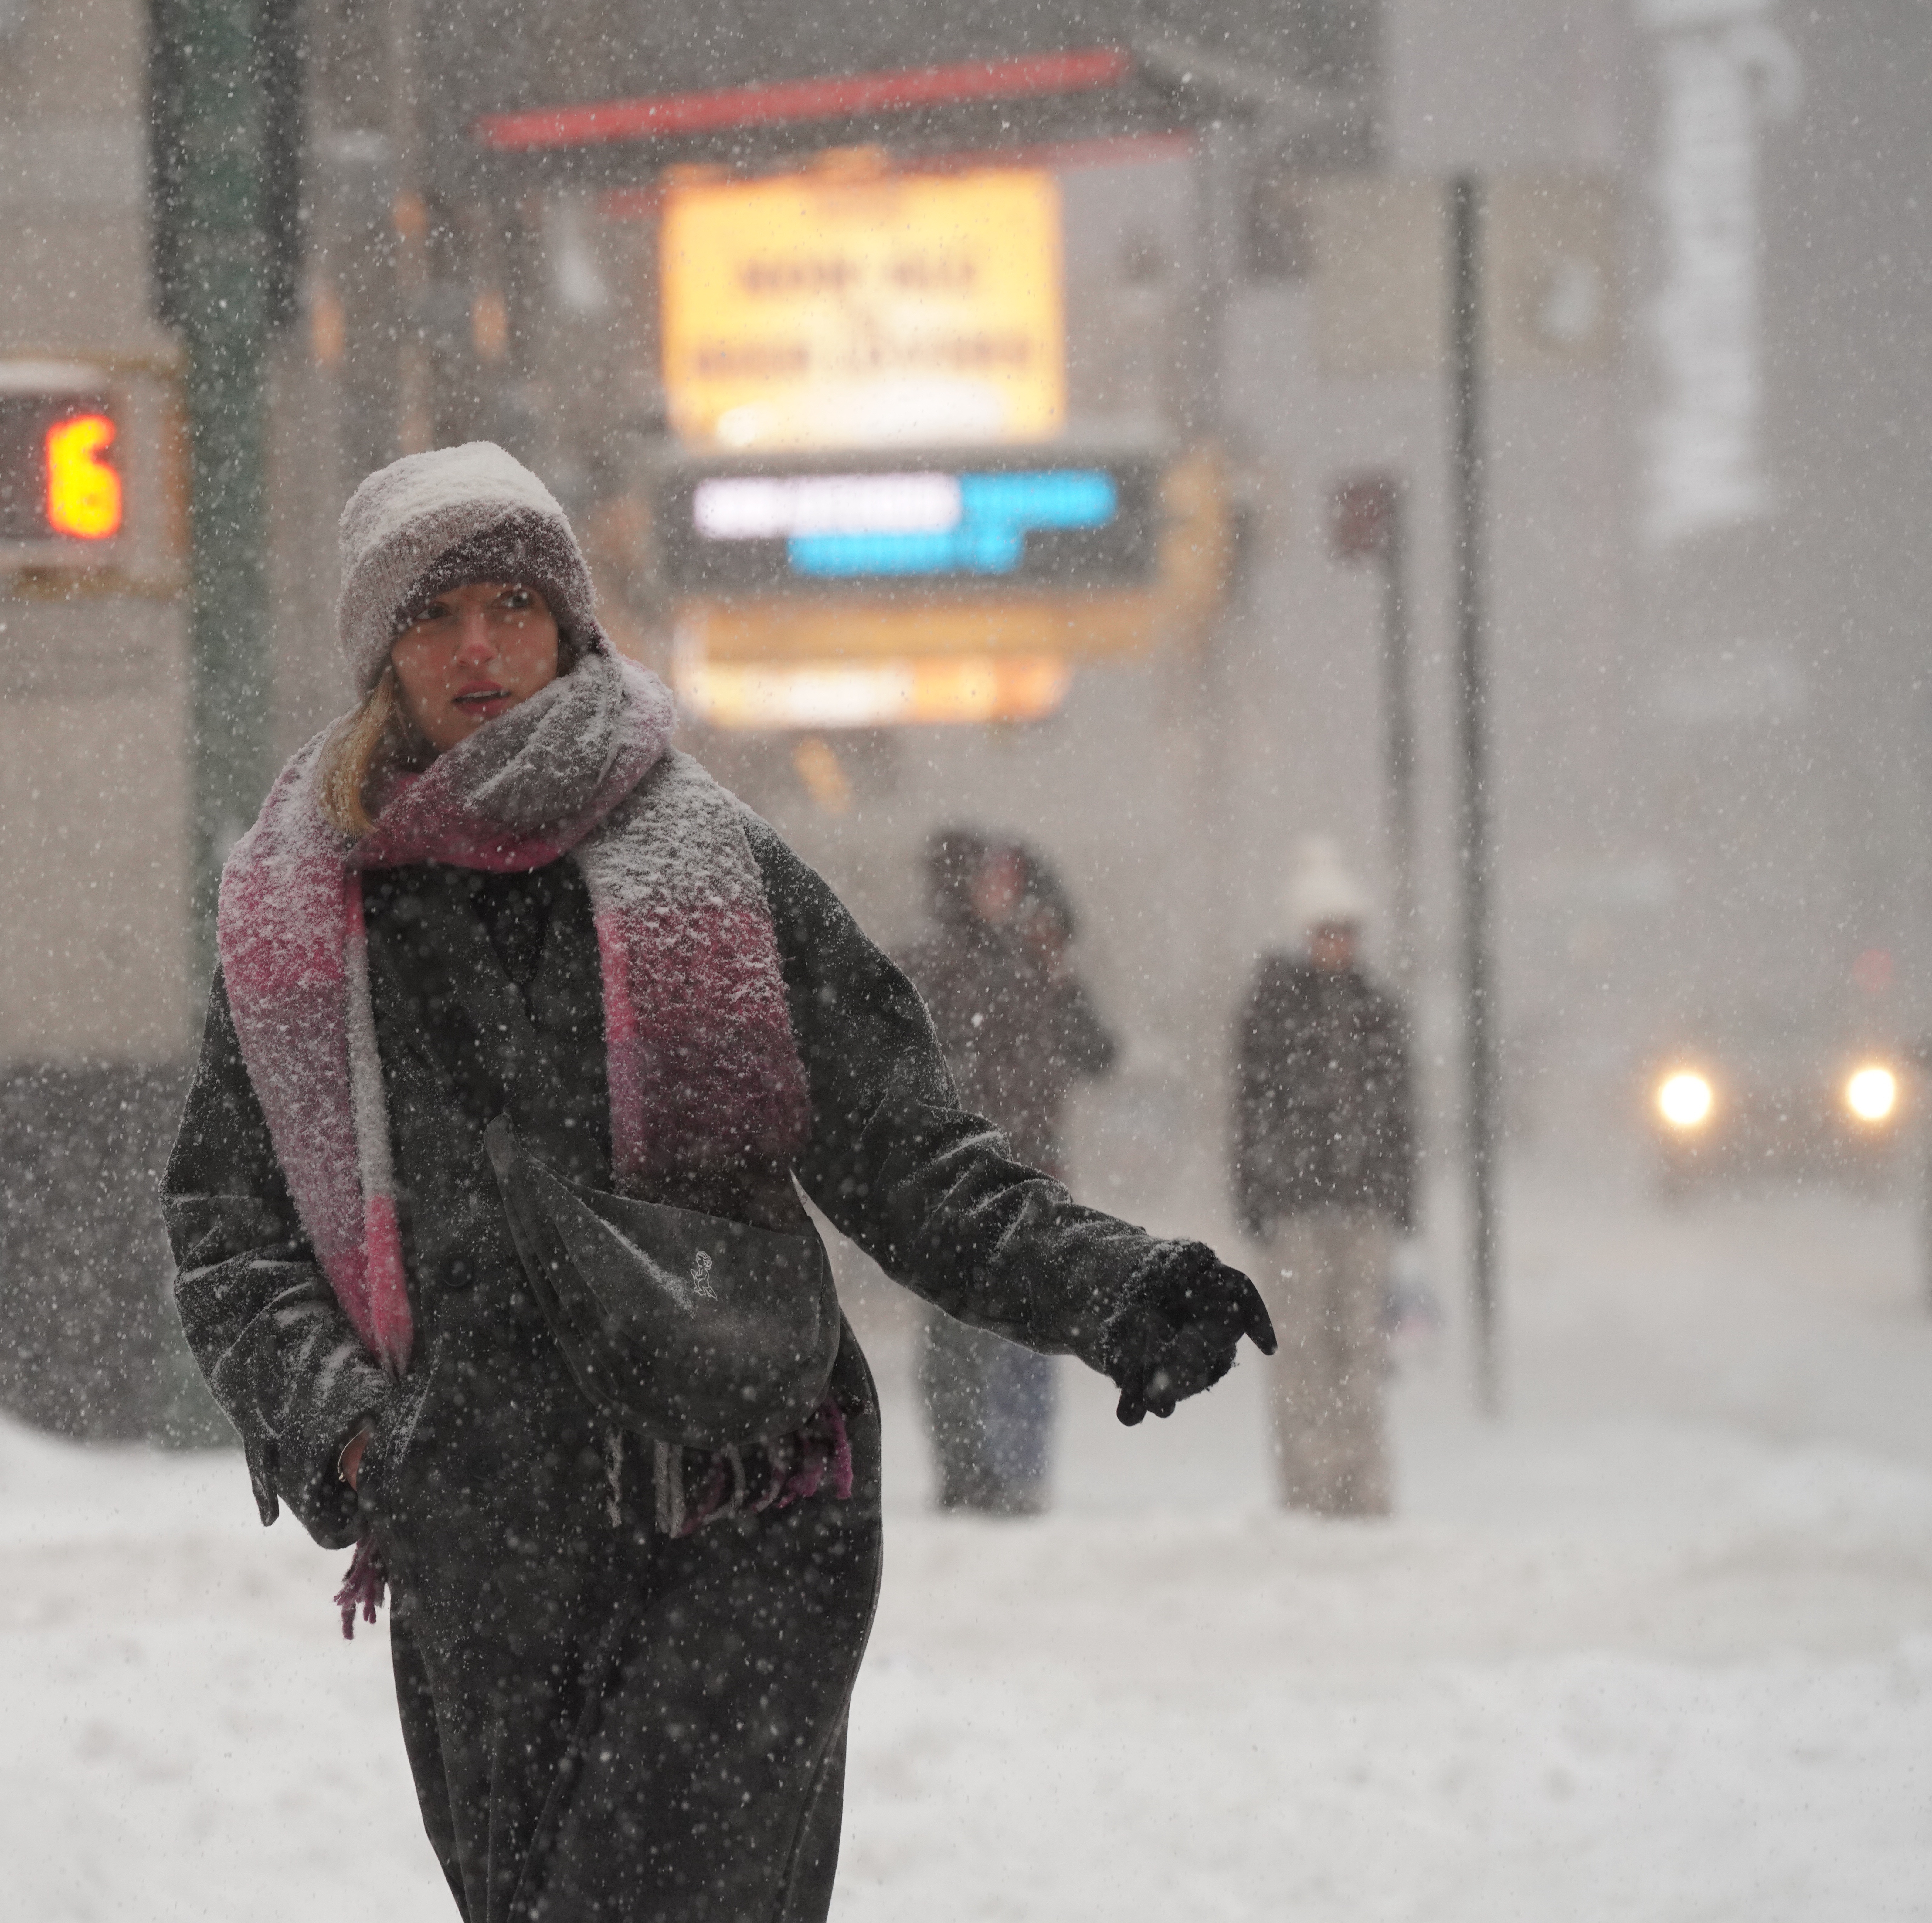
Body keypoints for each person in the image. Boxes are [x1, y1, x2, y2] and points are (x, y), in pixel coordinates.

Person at [163, 443, 1275, 1923]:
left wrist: (1112, 1282)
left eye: (512, 602)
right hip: (477, 1529)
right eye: (435, 615)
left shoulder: (702, 857)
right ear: (381, 651)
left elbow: (901, 1146)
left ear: (567, 626)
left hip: (749, 1498)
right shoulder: (305, 912)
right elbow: (231, 1226)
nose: (478, 646)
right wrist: (352, 1436)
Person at [900, 831, 1120, 1514]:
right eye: (989, 882)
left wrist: (1061, 975)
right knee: (958, 1332)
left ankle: (1014, 1470)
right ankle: (970, 1472)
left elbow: (1098, 1055)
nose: (1003, 895)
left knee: (1021, 1328)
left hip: (1029, 1172)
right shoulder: (933, 964)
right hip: (962, 1172)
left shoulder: (1031, 966)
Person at [1231, 837, 1418, 1518]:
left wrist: (1400, 1198)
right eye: (1325, 931)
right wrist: (1256, 1195)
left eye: (1346, 931)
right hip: (1295, 1207)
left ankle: (1361, 1487)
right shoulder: (1272, 1009)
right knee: (1302, 1354)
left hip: (1361, 1204)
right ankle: (1308, 1490)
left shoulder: (1377, 1011)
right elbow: (1250, 1110)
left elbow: (1399, 1112)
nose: (1336, 944)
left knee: (1360, 1351)